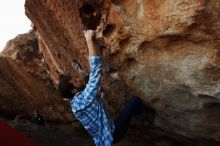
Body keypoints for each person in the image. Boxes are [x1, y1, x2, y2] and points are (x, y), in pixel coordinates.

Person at [58, 30, 155, 146]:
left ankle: (140, 115)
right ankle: (148, 116)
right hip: (114, 133)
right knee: (134, 101)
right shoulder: (83, 101)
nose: (78, 79)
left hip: (105, 136)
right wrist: (88, 39)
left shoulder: (76, 102)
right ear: (73, 90)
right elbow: (96, 68)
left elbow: (93, 73)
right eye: (74, 81)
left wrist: (94, 42)